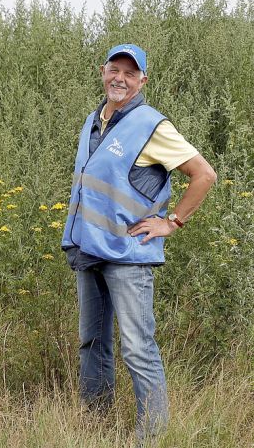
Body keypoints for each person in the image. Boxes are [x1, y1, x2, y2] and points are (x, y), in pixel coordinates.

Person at [61, 44, 216, 440]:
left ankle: (152, 437)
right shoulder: (93, 120)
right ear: (103, 71)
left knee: (138, 350)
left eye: (130, 73)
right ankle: (94, 427)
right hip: (90, 249)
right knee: (92, 343)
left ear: (142, 81)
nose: (120, 78)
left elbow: (204, 175)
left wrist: (172, 222)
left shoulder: (151, 124)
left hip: (128, 255)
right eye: (115, 69)